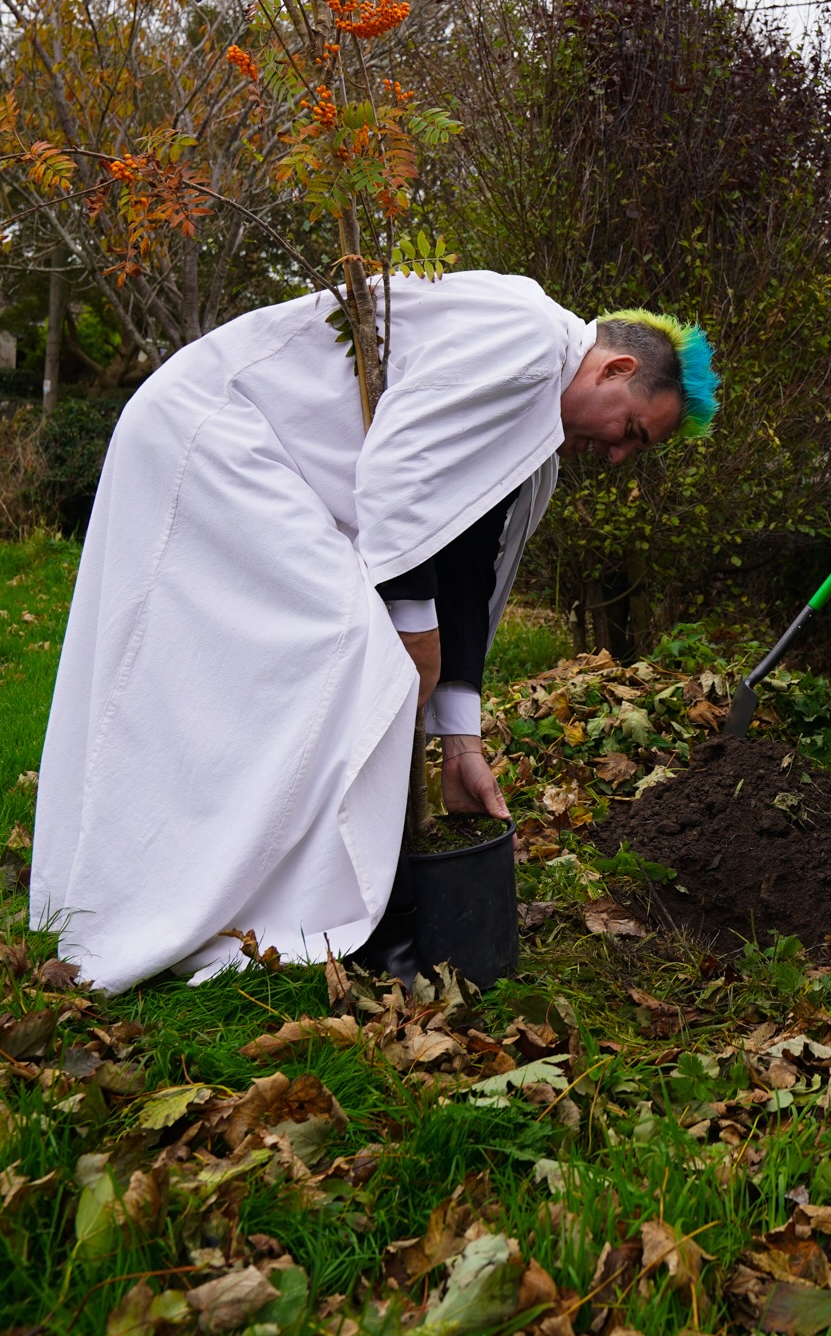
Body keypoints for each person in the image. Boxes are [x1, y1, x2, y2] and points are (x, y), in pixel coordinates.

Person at [30, 272, 717, 992]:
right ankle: (282, 909)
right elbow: (398, 475)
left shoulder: (536, 417)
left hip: (268, 462)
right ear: (616, 368)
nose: (616, 456)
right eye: (632, 431)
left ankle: (260, 887)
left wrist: (461, 737)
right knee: (360, 647)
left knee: (357, 654)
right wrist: (413, 635)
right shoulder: (526, 341)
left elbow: (463, 556)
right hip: (217, 435)